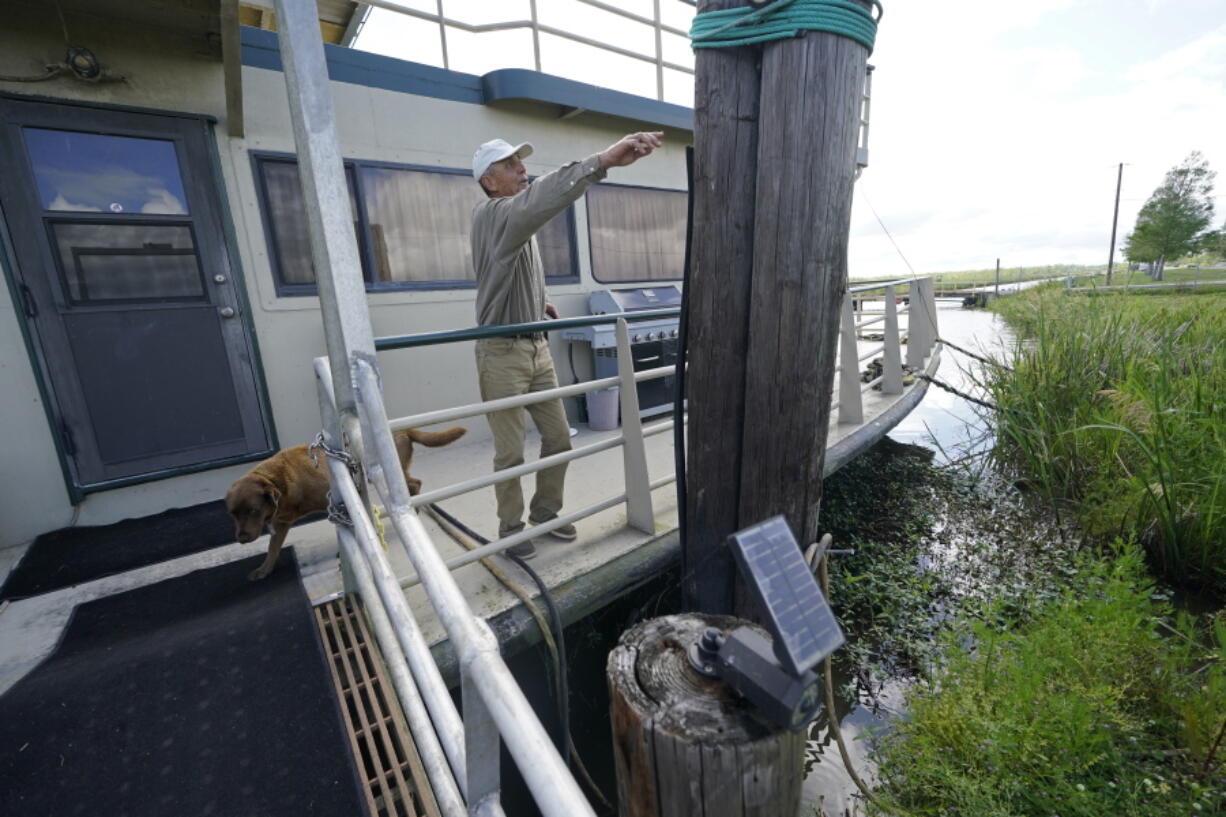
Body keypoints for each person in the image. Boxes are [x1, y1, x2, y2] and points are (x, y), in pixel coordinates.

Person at [471, 131, 663, 558]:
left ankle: (545, 514)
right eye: (510, 165)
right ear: (488, 181)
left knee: (558, 438)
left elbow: (509, 268)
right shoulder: (493, 214)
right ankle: (511, 530)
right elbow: (541, 200)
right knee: (510, 452)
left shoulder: (515, 221)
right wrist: (604, 161)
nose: (522, 169)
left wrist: (539, 301)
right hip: (501, 353)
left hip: (537, 347)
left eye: (521, 162)